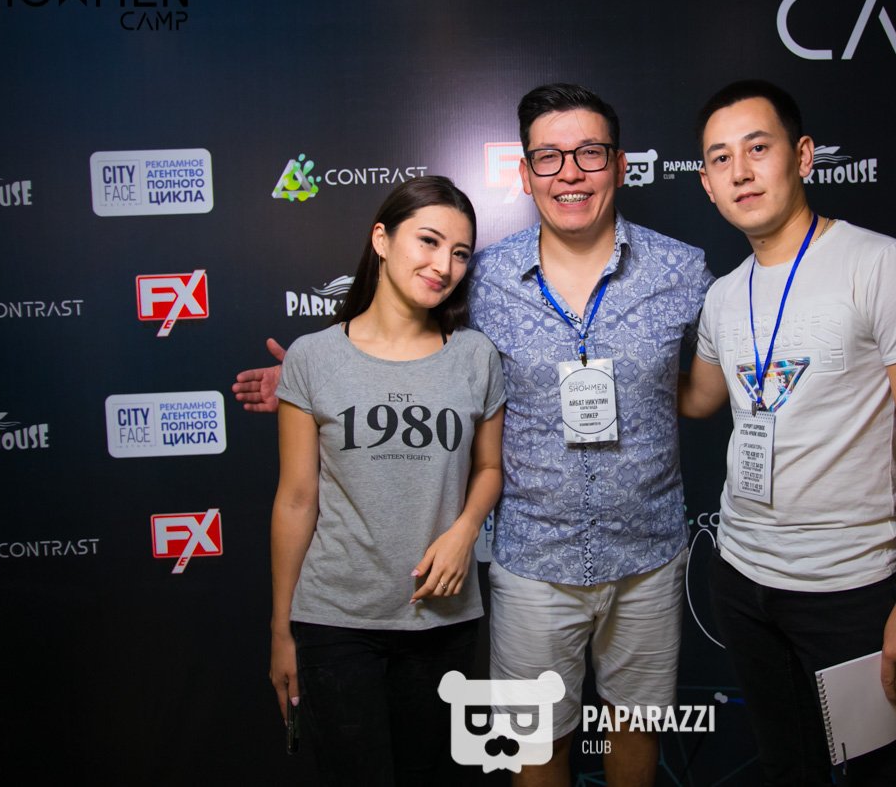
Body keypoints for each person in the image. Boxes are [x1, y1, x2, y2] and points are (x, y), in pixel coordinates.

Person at [239, 85, 711, 786]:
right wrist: (312, 382)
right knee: (535, 744)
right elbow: (400, 342)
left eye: (589, 152)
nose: (570, 172)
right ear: (525, 173)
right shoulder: (482, 277)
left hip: (648, 552)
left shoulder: (683, 268)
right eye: (549, 157)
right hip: (531, 557)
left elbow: (717, 373)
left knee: (637, 729)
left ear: (619, 164)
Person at [677, 80, 896, 786]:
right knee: (787, 770)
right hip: (742, 579)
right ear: (707, 184)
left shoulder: (882, 265)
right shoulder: (723, 294)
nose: (740, 172)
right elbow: (699, 399)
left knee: (879, 777)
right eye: (720, 158)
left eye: (758, 148)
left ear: (802, 156)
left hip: (853, 589)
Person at [268, 175, 505, 785]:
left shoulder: (475, 355)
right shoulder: (313, 356)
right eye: (428, 241)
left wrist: (464, 531)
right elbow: (296, 499)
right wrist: (281, 629)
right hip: (335, 619)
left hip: (443, 619)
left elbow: (488, 467)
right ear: (381, 238)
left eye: (460, 253)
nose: (444, 266)